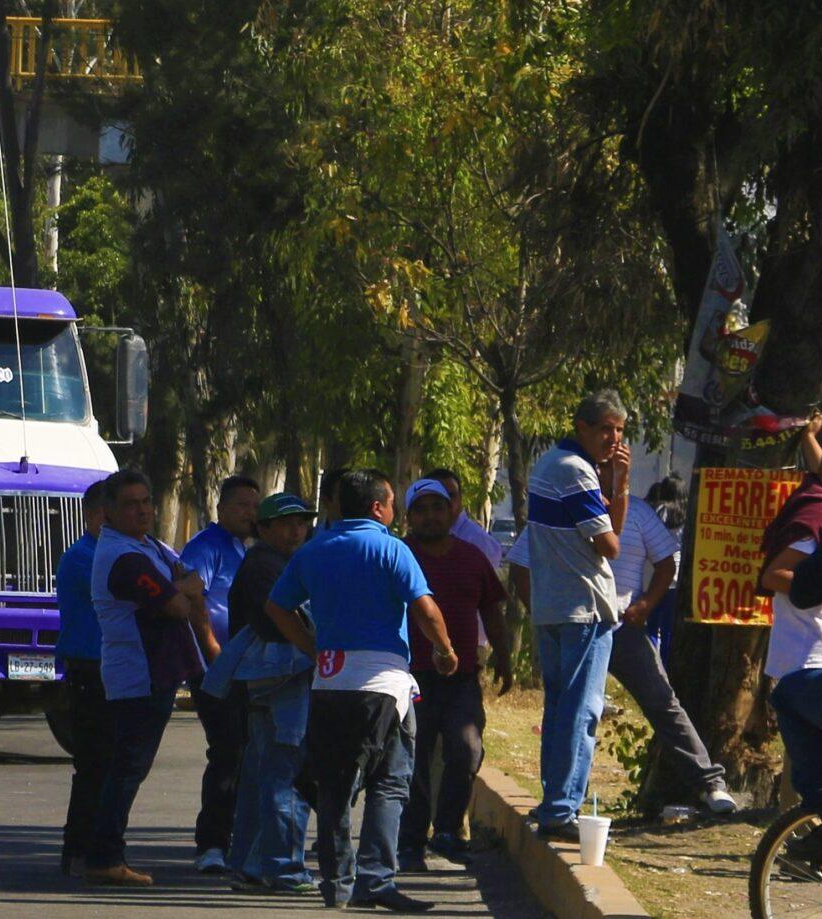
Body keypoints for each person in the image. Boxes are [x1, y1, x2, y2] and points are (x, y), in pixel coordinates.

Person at [265, 469, 457, 913]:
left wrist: (313, 647)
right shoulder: (391, 549)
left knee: (334, 784)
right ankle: (376, 879)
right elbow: (425, 610)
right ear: (377, 507)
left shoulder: (313, 550)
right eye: (391, 503)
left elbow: (277, 607)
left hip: (330, 682)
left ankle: (337, 883)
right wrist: (445, 651)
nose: (395, 511)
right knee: (390, 781)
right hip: (384, 683)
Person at [510, 483, 737, 817]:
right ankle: (560, 802)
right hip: (576, 629)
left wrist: (646, 604)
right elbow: (520, 566)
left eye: (615, 469)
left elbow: (666, 562)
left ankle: (710, 783)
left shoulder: (639, 513)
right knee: (569, 712)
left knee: (662, 702)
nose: (606, 476)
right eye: (599, 468)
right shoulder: (561, 508)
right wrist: (543, 612)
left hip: (622, 628)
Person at [85, 470, 215, 887]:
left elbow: (194, 582)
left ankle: (102, 852)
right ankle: (104, 856)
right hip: (138, 676)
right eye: (131, 504)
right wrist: (183, 588)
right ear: (108, 512)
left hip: (157, 673)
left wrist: (184, 586)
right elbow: (177, 604)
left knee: (129, 767)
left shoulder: (148, 546)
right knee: (128, 768)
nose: (142, 510)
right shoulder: (124, 557)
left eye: (146, 502)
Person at [523, 390, 630, 841]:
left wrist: (612, 484)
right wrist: (620, 486)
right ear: (581, 427)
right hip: (584, 605)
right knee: (581, 710)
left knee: (560, 707)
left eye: (619, 430)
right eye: (606, 428)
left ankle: (554, 800)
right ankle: (561, 808)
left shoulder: (550, 464)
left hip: (553, 604)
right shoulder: (577, 471)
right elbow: (611, 544)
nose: (614, 439)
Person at [400, 479, 512, 872]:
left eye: (438, 507)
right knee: (413, 757)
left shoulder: (471, 556)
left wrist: (504, 658)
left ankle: (447, 831)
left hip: (461, 677)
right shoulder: (399, 556)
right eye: (421, 509)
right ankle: (410, 840)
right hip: (410, 677)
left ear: (452, 511)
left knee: (467, 749)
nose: (430, 516)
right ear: (409, 516)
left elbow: (491, 611)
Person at [223, 490, 319, 897]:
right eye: (285, 524)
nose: (296, 530)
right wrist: (316, 649)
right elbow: (284, 620)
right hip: (281, 681)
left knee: (262, 775)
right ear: (262, 529)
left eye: (301, 522)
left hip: (271, 682)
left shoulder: (275, 562)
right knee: (287, 774)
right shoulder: (265, 564)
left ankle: (251, 864)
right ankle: (284, 868)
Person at [764, 435, 822, 860]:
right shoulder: (819, 511)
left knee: (790, 701)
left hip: (815, 652)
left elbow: (797, 583)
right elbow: (777, 574)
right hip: (808, 650)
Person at [181, 474, 260, 874]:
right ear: (221, 508)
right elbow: (192, 595)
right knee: (227, 751)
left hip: (247, 668)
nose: (250, 512)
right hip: (214, 669)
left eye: (255, 506)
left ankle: (242, 841)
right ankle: (211, 843)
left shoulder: (247, 549)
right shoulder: (206, 546)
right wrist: (214, 651)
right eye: (242, 505)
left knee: (249, 753)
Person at [57, 479, 118, 878]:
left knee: (106, 764)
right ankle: (79, 850)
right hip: (89, 668)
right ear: (96, 516)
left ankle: (95, 848)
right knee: (94, 765)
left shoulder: (106, 552)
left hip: (107, 668)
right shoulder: (85, 557)